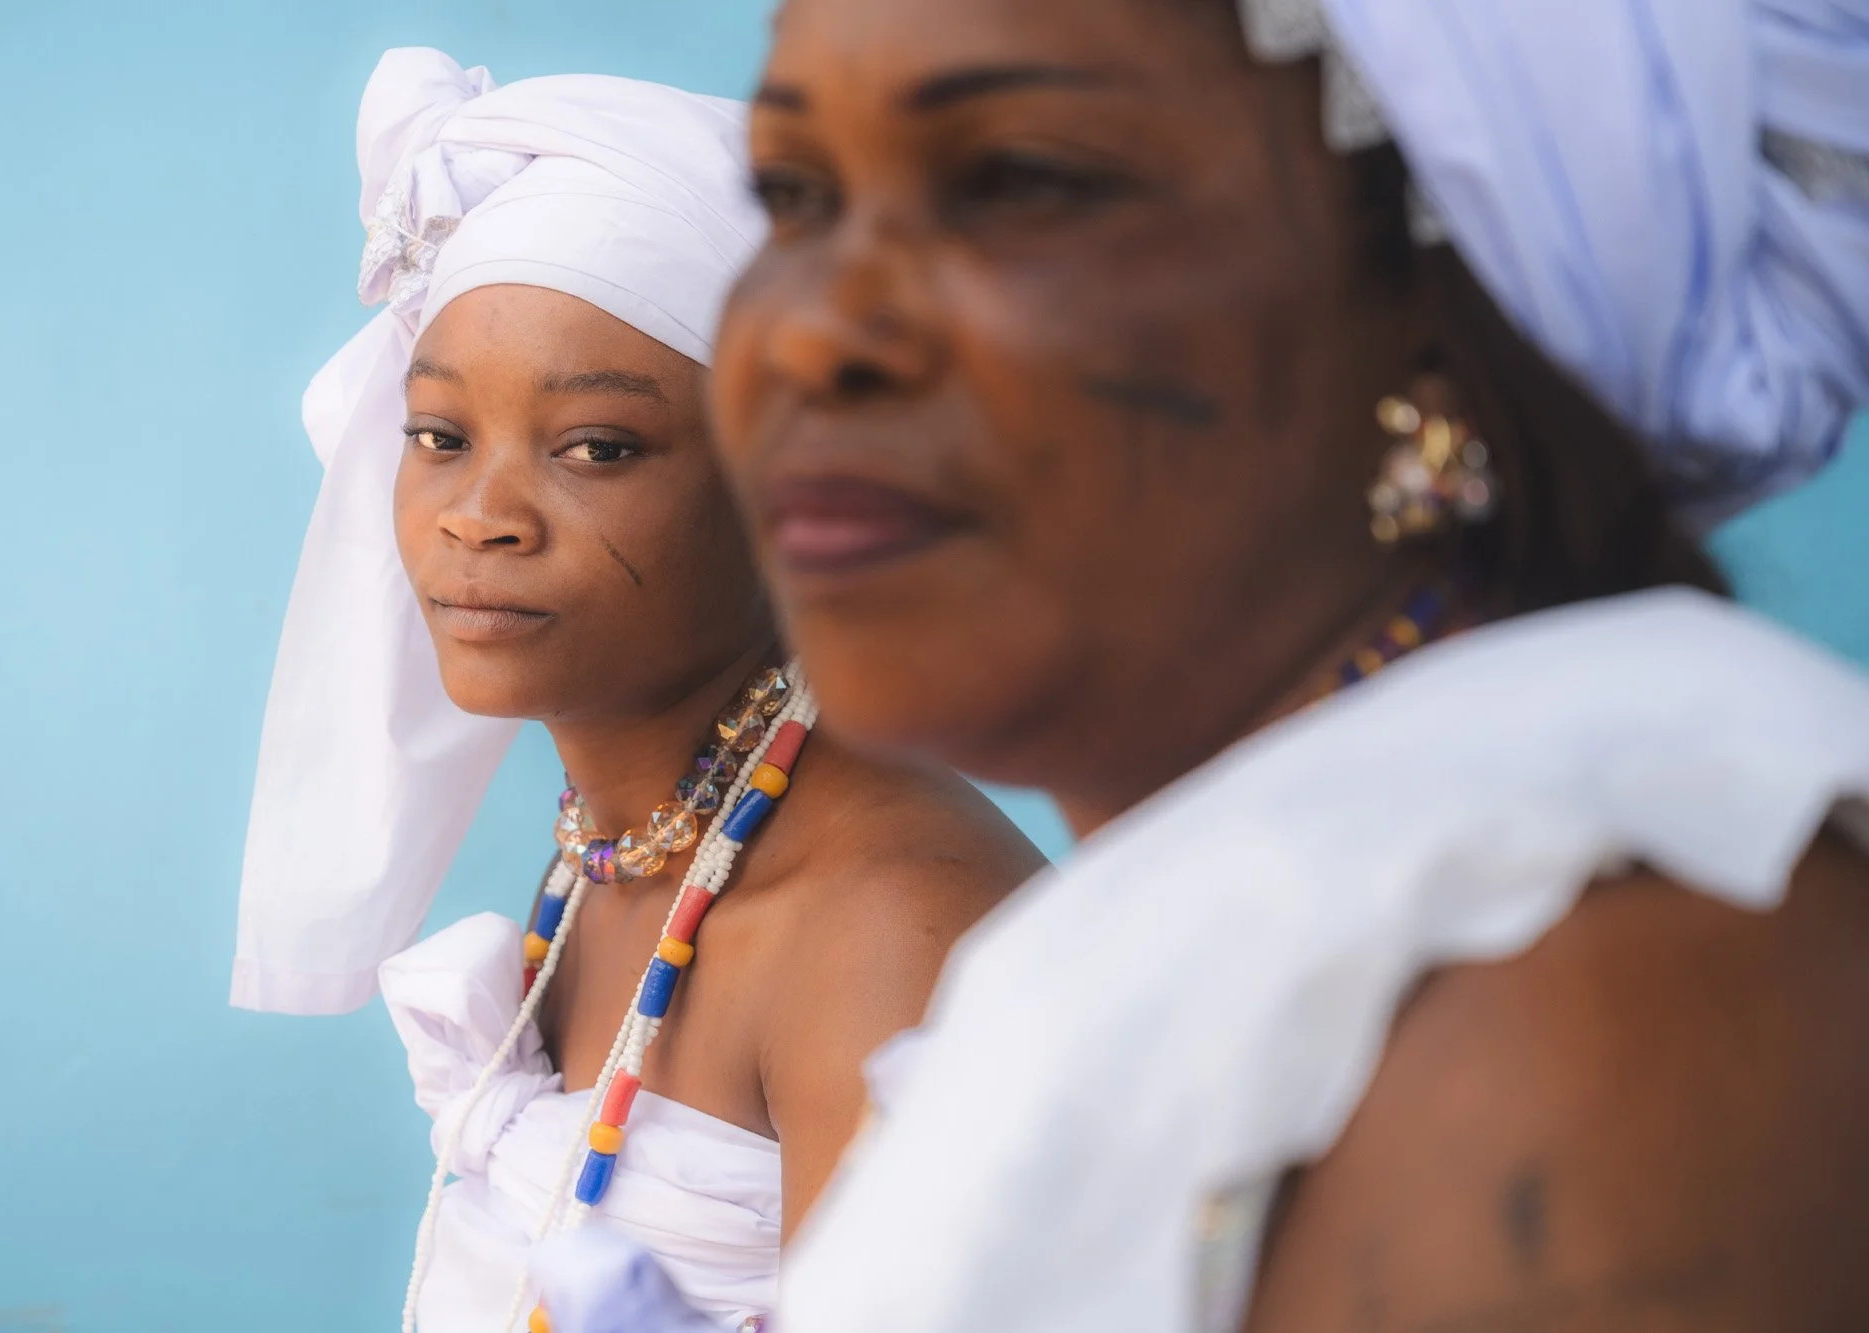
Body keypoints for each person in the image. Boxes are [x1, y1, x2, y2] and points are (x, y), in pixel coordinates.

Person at [523, 0, 1869, 1329]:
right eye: (796, 196)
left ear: (1432, 309)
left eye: (1020, 183)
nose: (810, 331)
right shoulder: (1200, 927)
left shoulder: (1592, 983)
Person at [228, 48, 1042, 1333]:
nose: (478, 517)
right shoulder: (620, 849)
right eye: (438, 436)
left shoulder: (882, 931)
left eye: (596, 447)